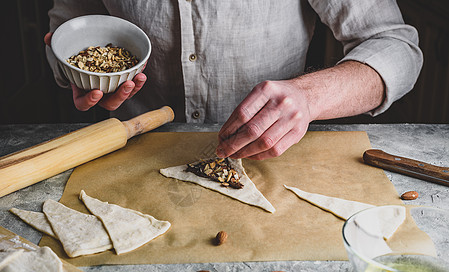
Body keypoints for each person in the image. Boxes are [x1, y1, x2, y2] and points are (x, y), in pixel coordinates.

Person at [45, 1, 422, 160]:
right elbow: (68, 25)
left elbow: (397, 47)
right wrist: (74, 74)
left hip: (272, 158)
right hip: (130, 152)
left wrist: (310, 96)